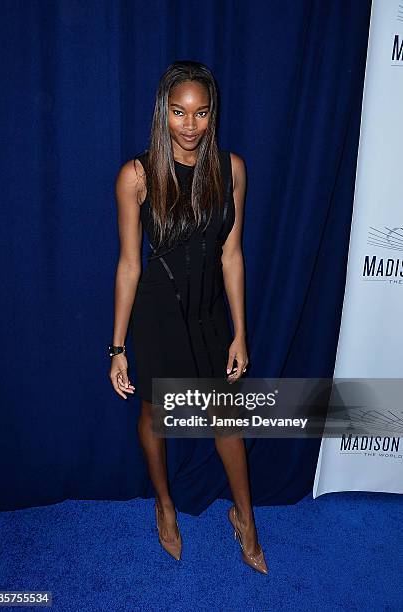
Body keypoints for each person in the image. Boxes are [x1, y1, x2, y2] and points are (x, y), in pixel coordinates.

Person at [108, 61, 268, 575]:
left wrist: (240, 333)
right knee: (155, 416)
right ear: (164, 112)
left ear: (212, 113)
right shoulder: (136, 175)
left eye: (200, 113)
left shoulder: (231, 169)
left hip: (209, 313)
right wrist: (116, 348)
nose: (190, 125)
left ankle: (245, 520)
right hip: (156, 314)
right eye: (179, 112)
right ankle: (165, 504)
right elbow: (130, 264)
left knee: (227, 421)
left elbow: (232, 255)